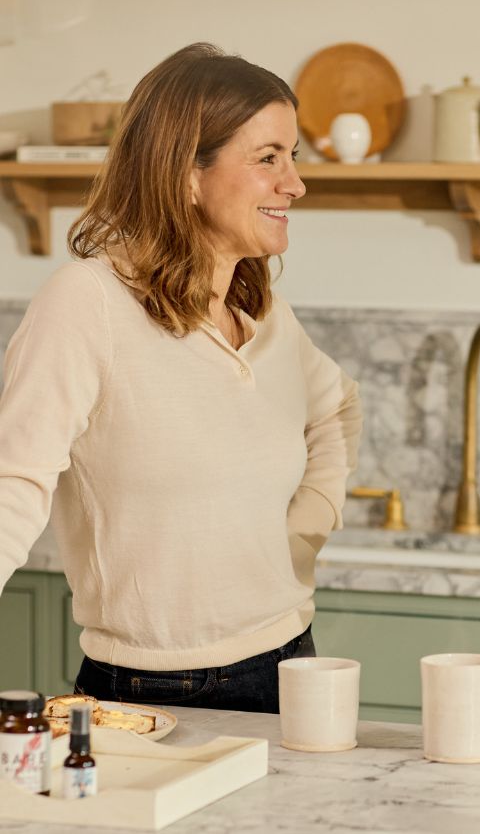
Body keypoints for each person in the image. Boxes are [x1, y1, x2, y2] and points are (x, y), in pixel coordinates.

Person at [0, 43, 362, 713]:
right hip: (150, 693)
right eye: (267, 159)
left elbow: (338, 407)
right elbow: (14, 481)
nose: (294, 184)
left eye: (293, 157)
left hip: (290, 665)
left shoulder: (263, 313)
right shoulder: (89, 304)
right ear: (186, 174)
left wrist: (304, 533)